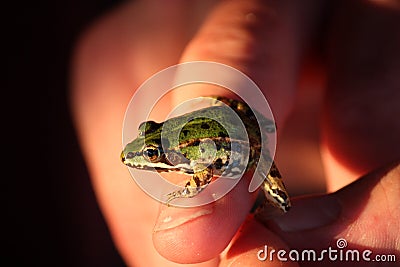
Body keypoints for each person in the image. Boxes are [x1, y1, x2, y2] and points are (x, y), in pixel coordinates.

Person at [70, 0, 400, 266]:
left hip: (245, 146)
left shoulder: (187, 156)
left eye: (152, 153)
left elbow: (201, 174)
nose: (142, 156)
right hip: (233, 123)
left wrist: (188, 190)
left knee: (280, 203)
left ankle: (280, 212)